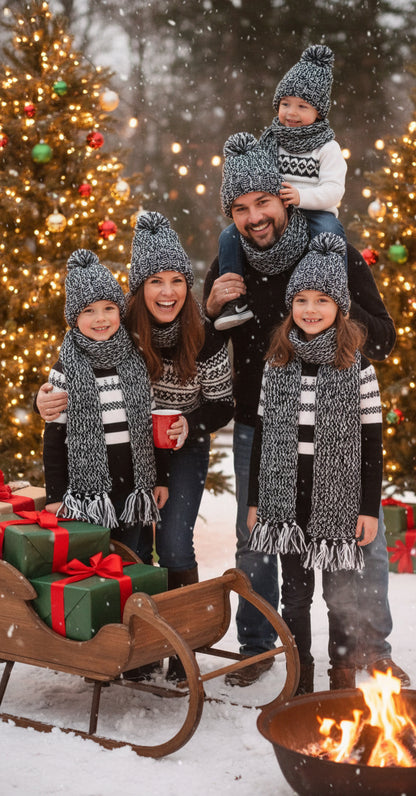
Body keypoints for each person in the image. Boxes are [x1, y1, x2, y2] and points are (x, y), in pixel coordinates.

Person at [203, 131, 410, 689]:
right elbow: (200, 349)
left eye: (263, 202)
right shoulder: (227, 265)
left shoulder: (332, 254)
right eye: (241, 208)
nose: (254, 217)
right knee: (260, 539)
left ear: (285, 198)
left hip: (336, 420)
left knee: (359, 544)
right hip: (262, 424)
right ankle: (260, 645)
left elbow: (386, 336)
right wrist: (211, 308)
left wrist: (331, 335)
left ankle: (370, 648)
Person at [38, 213, 234, 683]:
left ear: (188, 284)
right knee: (125, 548)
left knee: (171, 543)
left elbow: (222, 404)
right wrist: (46, 398)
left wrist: (188, 424)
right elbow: (77, 361)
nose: (166, 292)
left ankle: (178, 641)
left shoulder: (204, 333)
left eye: (176, 281)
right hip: (123, 447)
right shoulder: (118, 323)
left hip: (178, 442)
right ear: (136, 289)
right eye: (154, 281)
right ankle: (127, 644)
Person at [247, 232, 383, 693]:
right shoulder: (276, 364)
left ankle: (341, 674)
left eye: (322, 299)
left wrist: (367, 508)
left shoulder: (357, 367)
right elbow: (264, 437)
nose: (310, 309)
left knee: (340, 597)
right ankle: (300, 673)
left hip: (338, 502)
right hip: (287, 505)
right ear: (290, 307)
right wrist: (254, 501)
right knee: (296, 595)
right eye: (301, 299)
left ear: (339, 307)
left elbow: (371, 443)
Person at [42, 248, 168, 565]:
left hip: (135, 489)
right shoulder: (65, 369)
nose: (101, 318)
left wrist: (160, 478)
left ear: (119, 312)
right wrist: (55, 496)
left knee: (136, 560)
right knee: (94, 565)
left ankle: (136, 612)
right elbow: (54, 438)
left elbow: (152, 427)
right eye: (89, 311)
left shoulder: (135, 360)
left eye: (109, 308)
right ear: (74, 318)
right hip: (88, 493)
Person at [215, 44, 347, 332]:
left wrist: (302, 197)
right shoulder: (272, 138)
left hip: (315, 211)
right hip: (279, 212)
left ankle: (334, 289)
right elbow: (255, 171)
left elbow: (334, 191)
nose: (292, 113)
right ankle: (234, 301)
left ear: (319, 112)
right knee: (228, 236)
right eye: (286, 104)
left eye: (303, 106)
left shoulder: (327, 148)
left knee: (331, 233)